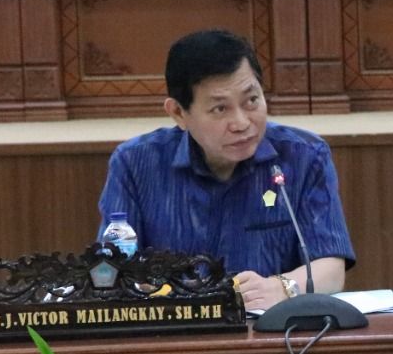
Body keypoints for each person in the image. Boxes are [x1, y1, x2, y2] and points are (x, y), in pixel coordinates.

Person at [97, 29, 355, 311]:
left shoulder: (303, 156)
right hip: (175, 335)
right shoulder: (136, 164)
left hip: (276, 335)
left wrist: (282, 287)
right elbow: (113, 269)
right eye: (220, 109)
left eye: (251, 101)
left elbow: (331, 268)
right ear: (179, 114)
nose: (242, 122)